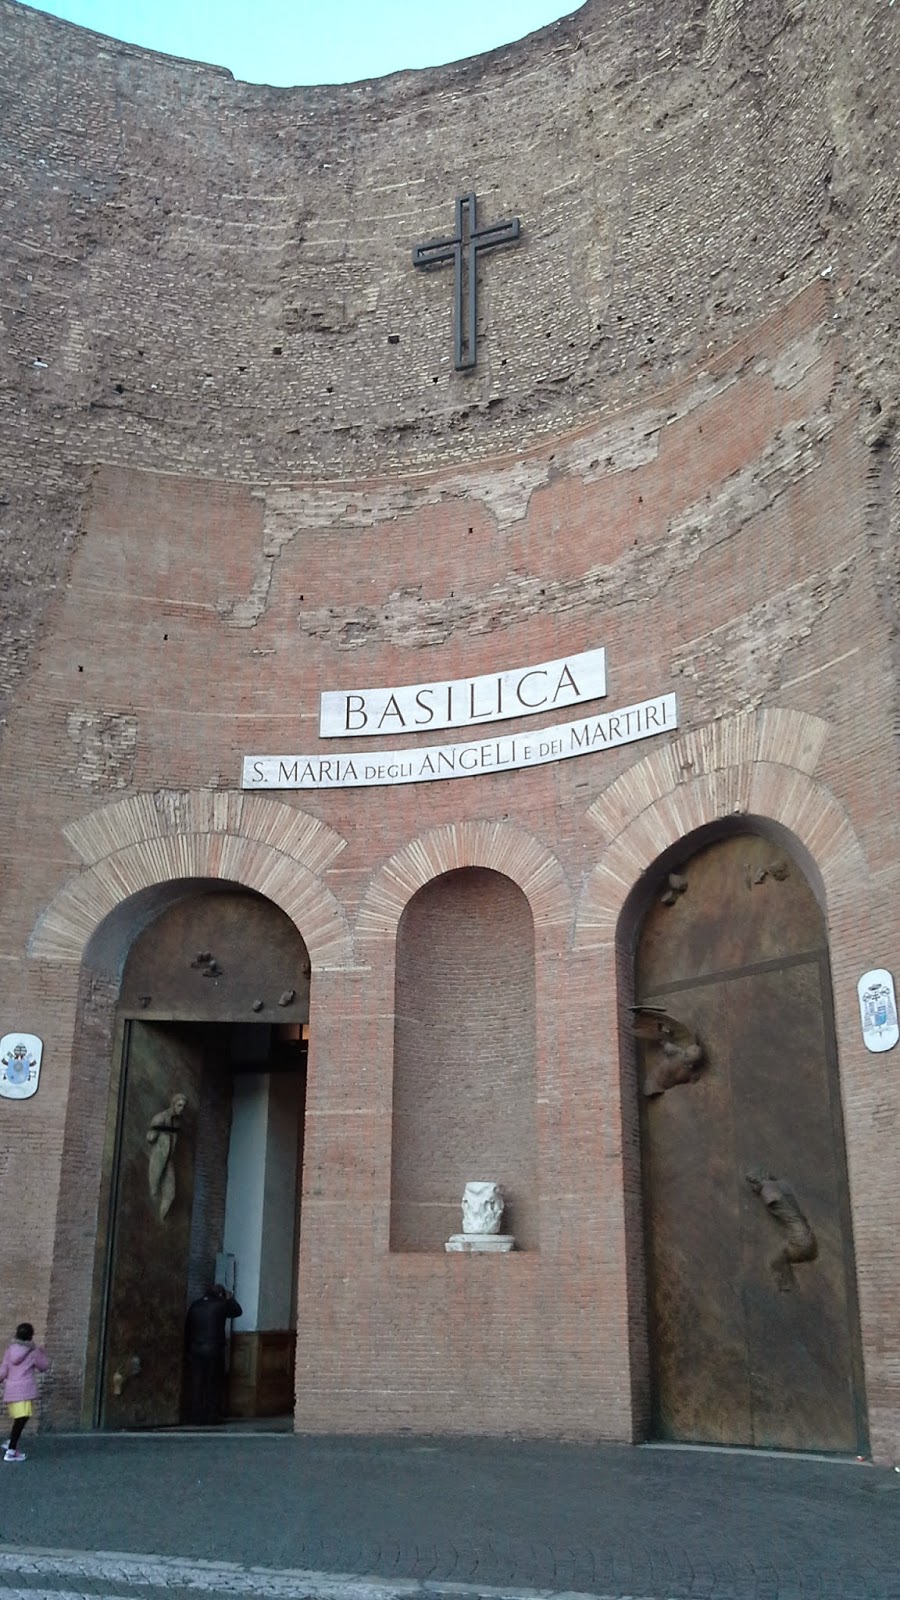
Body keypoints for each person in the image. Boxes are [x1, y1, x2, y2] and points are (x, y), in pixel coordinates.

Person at [183, 1283, 242, 1425]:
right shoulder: (221, 1304)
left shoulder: (195, 1305)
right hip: (214, 1349)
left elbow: (188, 1328)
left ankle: (195, 1416)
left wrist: (188, 1349)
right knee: (213, 1383)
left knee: (197, 1383)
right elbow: (237, 1312)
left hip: (195, 1349)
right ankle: (212, 1416)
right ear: (221, 1294)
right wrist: (230, 1298)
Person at [0, 1321, 50, 1462]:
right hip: (24, 1390)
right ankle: (11, 1450)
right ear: (31, 1335)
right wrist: (43, 1353)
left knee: (20, 1419)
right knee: (21, 1419)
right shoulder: (33, 1351)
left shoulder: (10, 1350)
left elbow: (3, 1370)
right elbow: (43, 1367)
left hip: (11, 1390)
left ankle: (11, 1442)